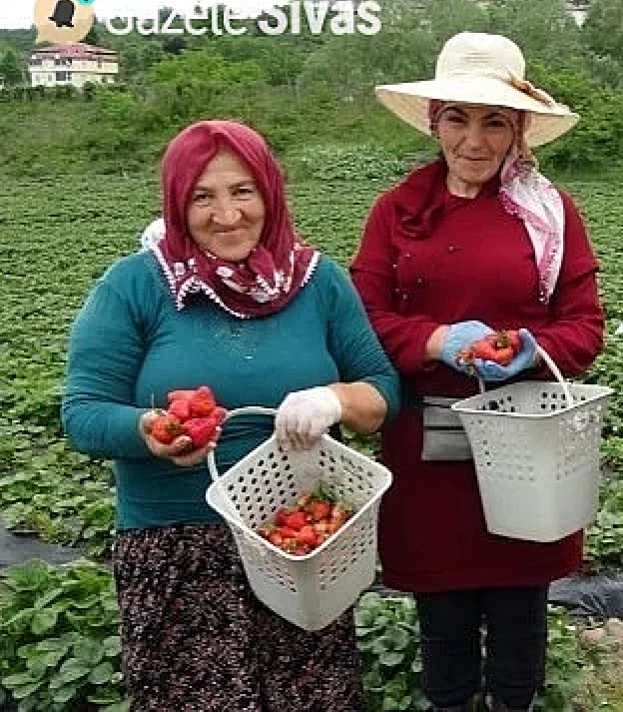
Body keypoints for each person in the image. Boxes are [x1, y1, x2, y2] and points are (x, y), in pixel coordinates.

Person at [61, 120, 400, 711]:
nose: (227, 215)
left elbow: (383, 392)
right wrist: (149, 431)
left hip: (300, 545)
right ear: (176, 202)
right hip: (177, 546)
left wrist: (335, 400)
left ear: (270, 192)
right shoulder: (135, 287)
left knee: (310, 697)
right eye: (202, 196)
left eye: (243, 191)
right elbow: (83, 414)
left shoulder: (318, 284)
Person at [350, 32, 605, 712]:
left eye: (495, 121)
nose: (474, 139)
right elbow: (362, 318)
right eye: (458, 118)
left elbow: (585, 326)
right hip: (428, 451)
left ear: (519, 129)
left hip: (525, 446)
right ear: (435, 121)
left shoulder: (548, 216)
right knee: (444, 619)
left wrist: (531, 345)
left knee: (521, 612)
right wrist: (436, 338)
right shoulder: (397, 211)